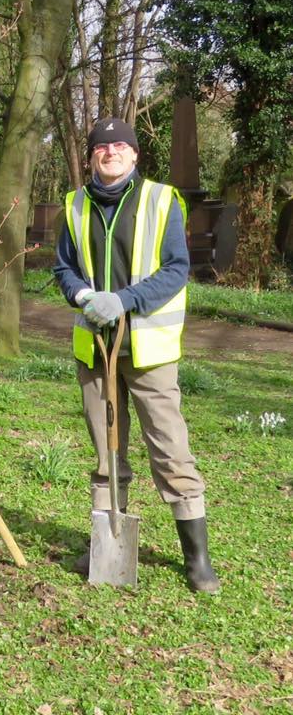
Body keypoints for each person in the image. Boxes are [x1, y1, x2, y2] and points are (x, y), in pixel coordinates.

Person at [53, 118, 220, 593]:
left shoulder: (162, 200)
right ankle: (107, 539)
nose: (111, 152)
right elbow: (64, 268)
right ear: (90, 158)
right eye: (102, 147)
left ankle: (197, 558)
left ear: (135, 155)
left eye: (121, 145)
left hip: (149, 351)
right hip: (96, 350)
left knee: (170, 450)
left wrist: (123, 301)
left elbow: (176, 270)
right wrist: (85, 297)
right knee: (107, 451)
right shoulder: (75, 204)